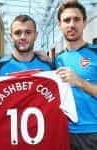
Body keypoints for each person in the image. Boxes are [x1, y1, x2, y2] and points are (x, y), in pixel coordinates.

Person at [55, 1, 97, 150]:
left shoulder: (95, 53)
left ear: (84, 23)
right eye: (66, 20)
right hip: (64, 132)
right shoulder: (57, 60)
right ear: (59, 25)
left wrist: (80, 82)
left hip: (92, 133)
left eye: (76, 19)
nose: (71, 24)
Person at [0, 14, 53, 89]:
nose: (23, 37)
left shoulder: (49, 68)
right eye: (17, 33)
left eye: (28, 32)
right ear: (11, 36)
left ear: (36, 35)